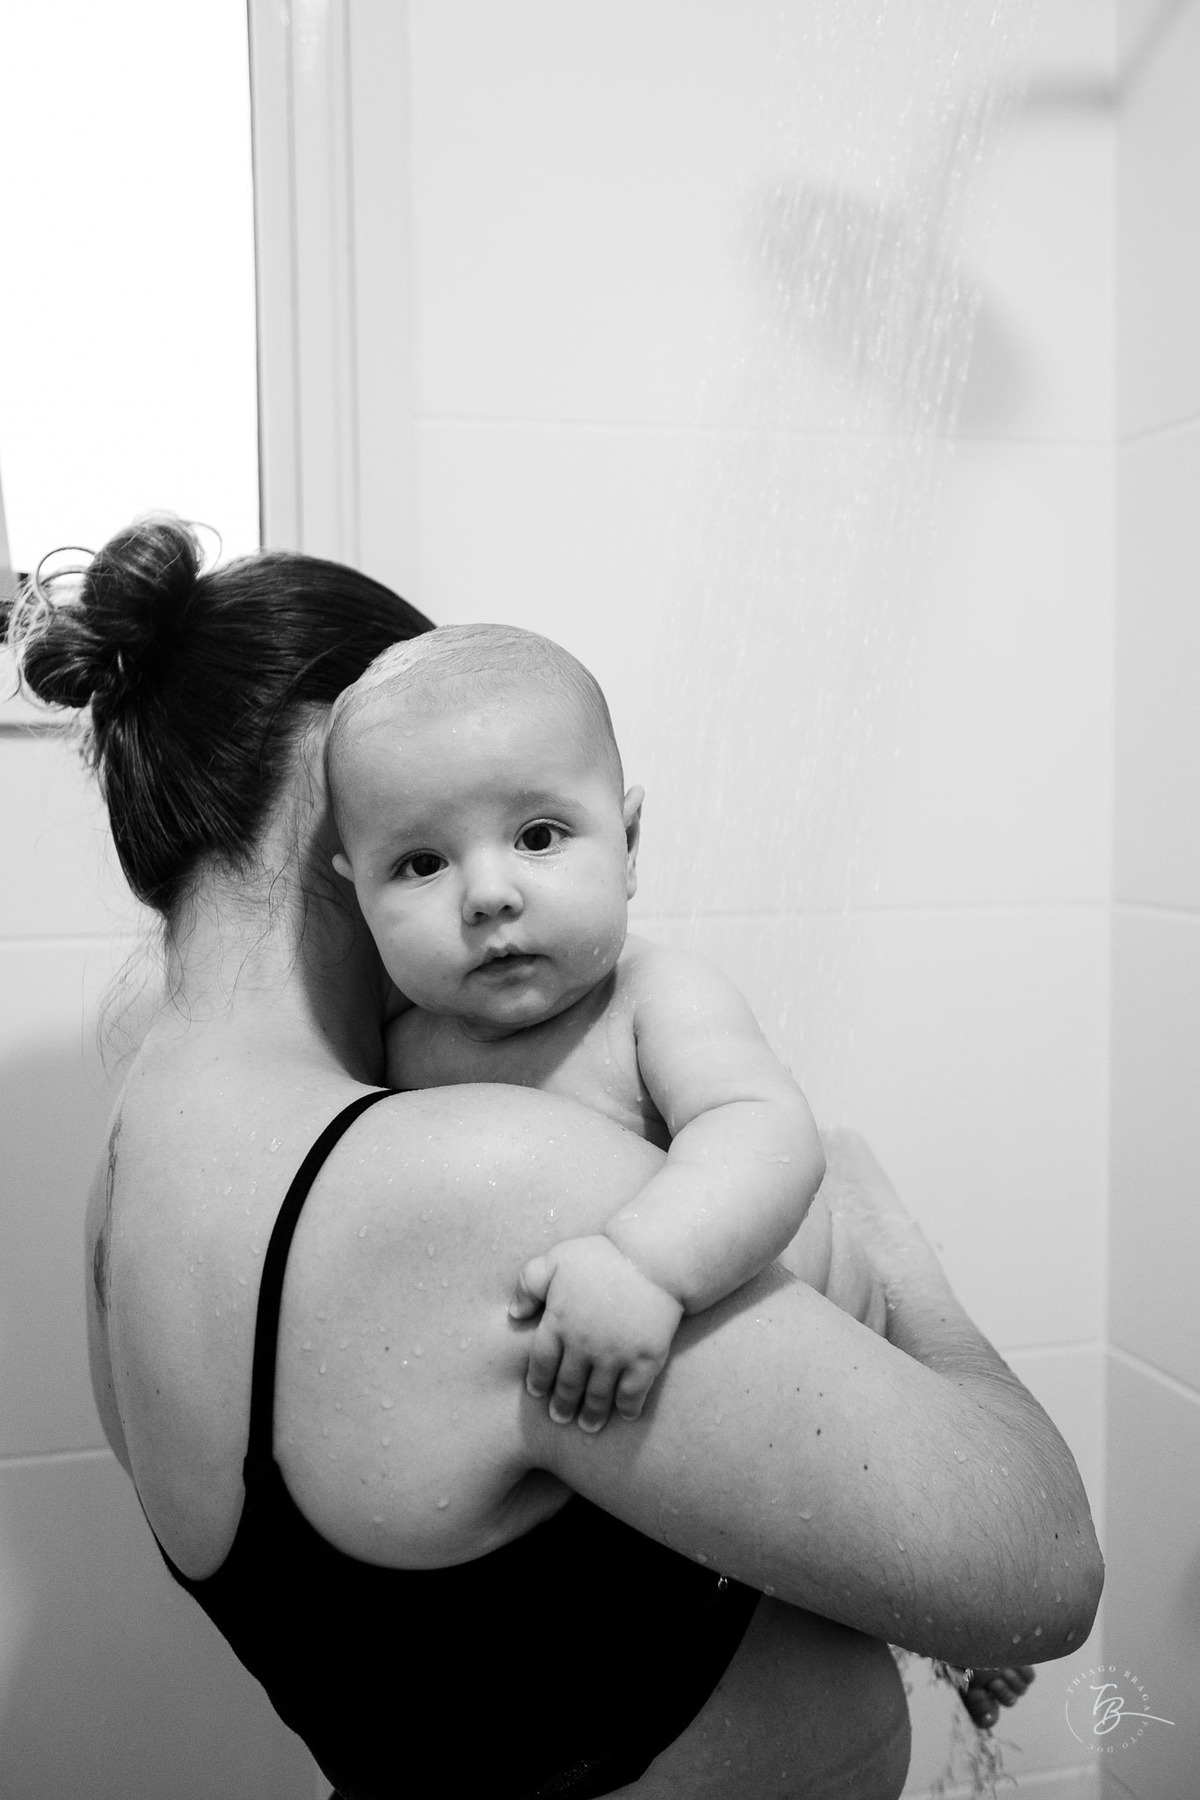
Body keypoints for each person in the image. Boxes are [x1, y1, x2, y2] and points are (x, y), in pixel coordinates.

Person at [10, 515, 1101, 1800]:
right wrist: (897, 1250)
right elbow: (1042, 1572)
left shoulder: (123, 1185)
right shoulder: (469, 1186)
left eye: (536, 829)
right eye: (427, 838)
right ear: (335, 806)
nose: (491, 888)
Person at [325, 623, 827, 1435]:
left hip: (803, 1385)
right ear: (358, 896)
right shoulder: (397, 1046)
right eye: (421, 863)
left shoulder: (653, 1000)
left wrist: (646, 1265)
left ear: (627, 845)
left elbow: (769, 1134)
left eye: (537, 838)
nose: (488, 894)